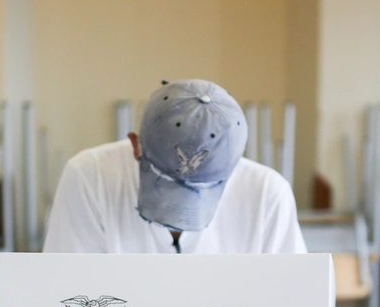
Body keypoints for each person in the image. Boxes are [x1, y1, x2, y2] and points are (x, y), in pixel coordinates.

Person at [42, 79, 306, 254]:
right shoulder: (90, 177)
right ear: (135, 145)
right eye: (167, 182)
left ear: (235, 163)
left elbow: (289, 306)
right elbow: (67, 296)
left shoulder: (269, 193)